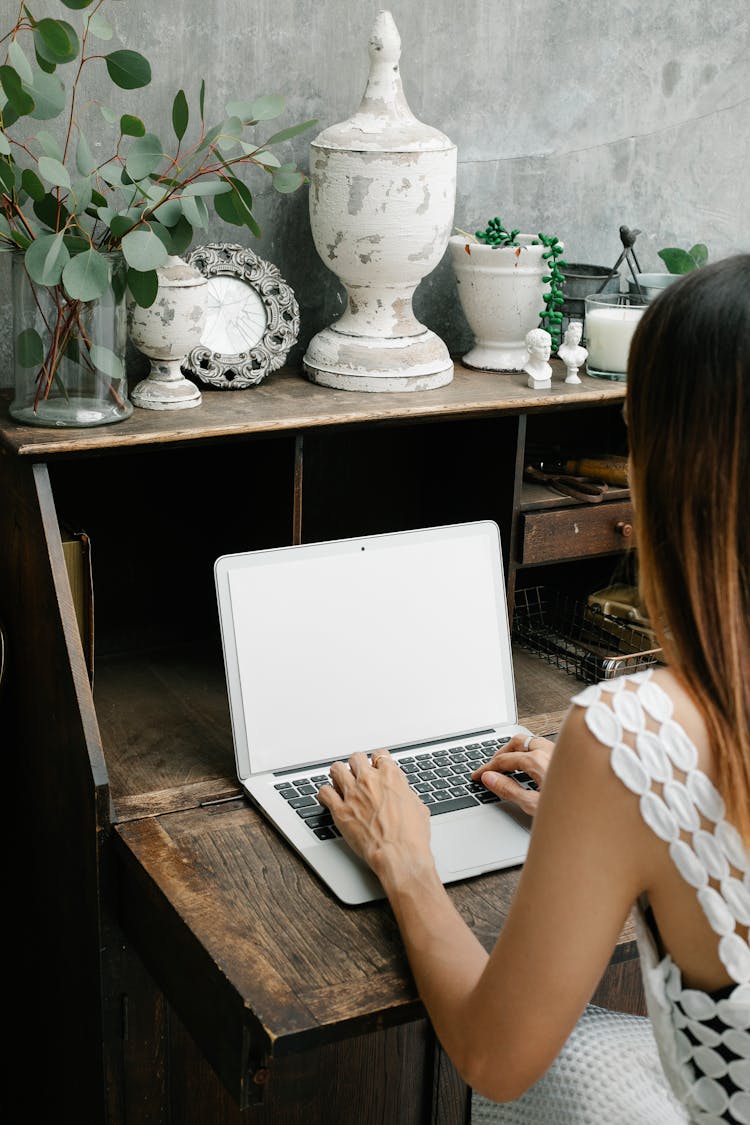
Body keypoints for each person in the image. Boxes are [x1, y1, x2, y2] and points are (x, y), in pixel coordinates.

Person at [318, 253, 750, 1123]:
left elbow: (492, 1056)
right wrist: (622, 812)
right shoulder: (643, 752)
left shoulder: (635, 734)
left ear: (673, 464)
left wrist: (407, 861)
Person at [557, 319, 588, 383]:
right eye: (573, 336)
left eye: (578, 337)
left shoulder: (583, 351)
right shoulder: (563, 351)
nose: (576, 339)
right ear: (568, 336)